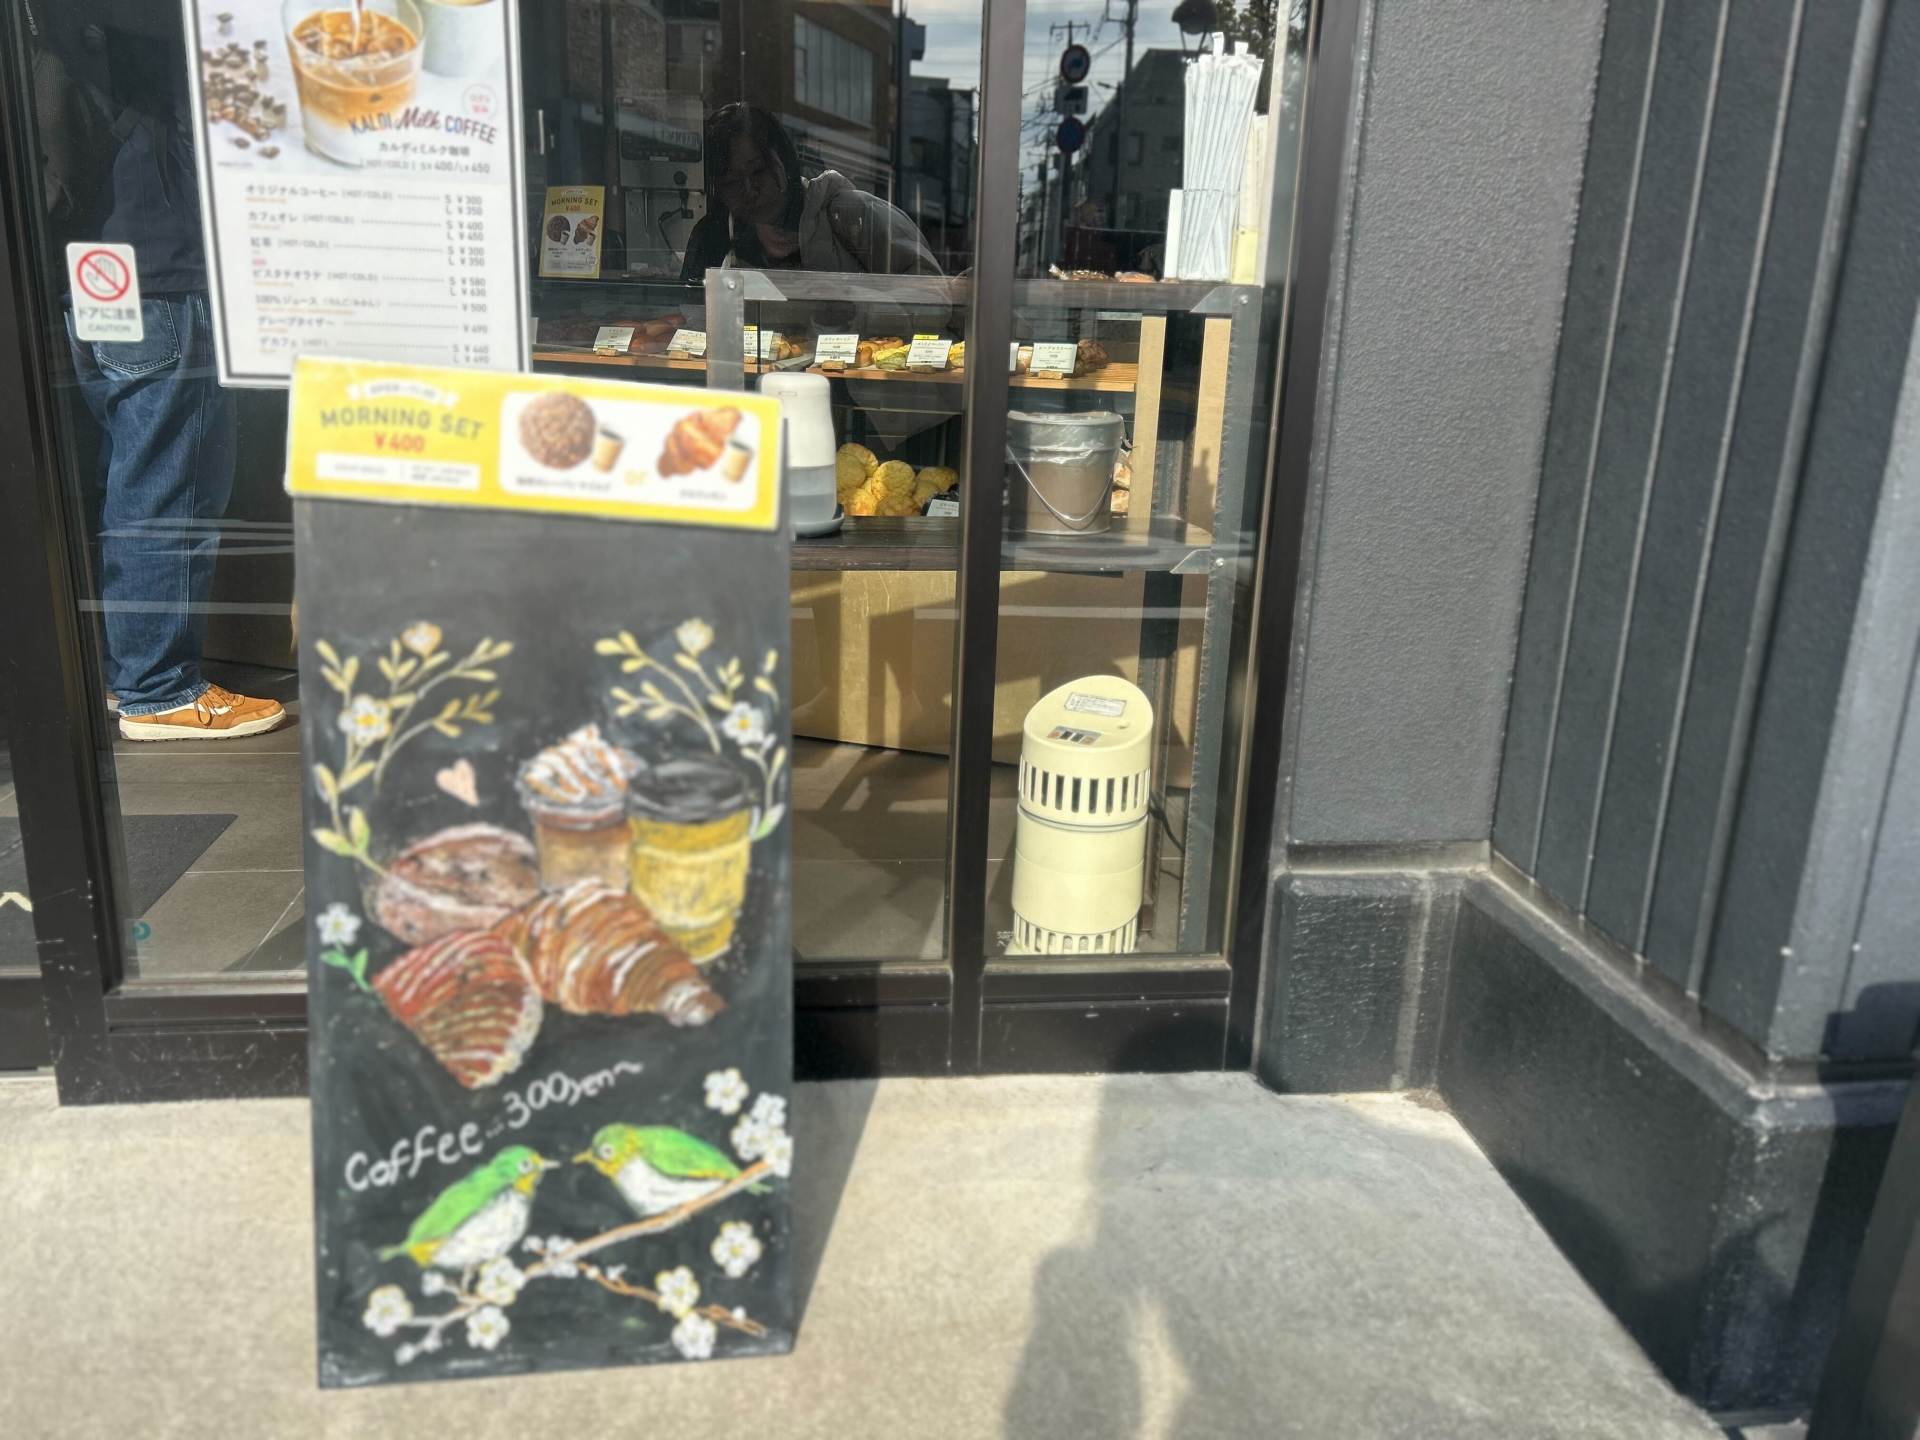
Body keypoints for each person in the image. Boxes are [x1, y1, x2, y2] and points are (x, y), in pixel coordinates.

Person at [37, 4, 284, 740]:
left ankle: (133, 673)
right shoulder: (157, 29)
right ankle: (160, 688)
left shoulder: (66, 33)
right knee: (171, 486)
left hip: (92, 266)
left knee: (130, 478)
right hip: (160, 274)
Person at [680, 104, 942, 281]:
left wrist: (855, 310)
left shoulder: (851, 214)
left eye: (759, 171)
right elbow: (691, 317)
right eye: (732, 182)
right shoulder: (714, 239)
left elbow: (931, 292)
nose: (750, 190)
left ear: (784, 160)